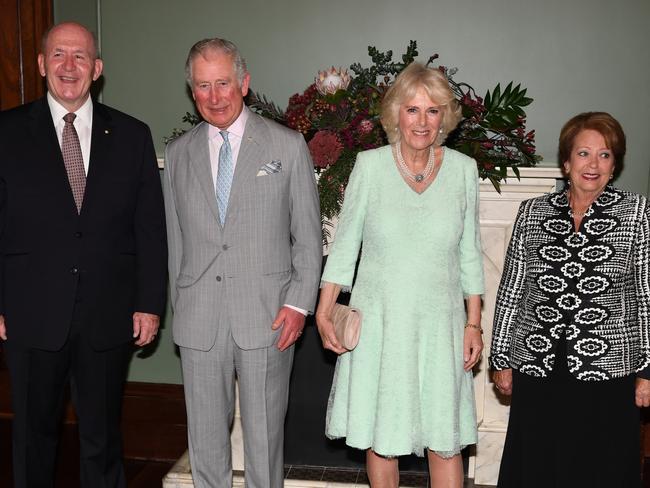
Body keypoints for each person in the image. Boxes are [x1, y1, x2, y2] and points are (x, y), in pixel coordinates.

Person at [0, 22, 167, 487]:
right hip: (29, 314)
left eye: (79, 57)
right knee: (32, 439)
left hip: (107, 314)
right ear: (41, 65)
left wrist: (150, 303)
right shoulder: (6, 132)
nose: (68, 66)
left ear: (97, 68)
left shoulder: (132, 136)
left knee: (103, 439)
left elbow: (150, 229)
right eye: (58, 55)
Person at [316, 62, 485, 488]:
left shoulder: (463, 170)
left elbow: (469, 254)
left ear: (445, 117)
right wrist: (323, 311)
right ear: (396, 115)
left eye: (432, 111)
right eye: (412, 110)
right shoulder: (369, 167)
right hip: (381, 324)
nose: (422, 122)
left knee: (444, 439)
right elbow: (344, 246)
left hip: (441, 325)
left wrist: (474, 322)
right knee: (382, 437)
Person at [163, 38, 321, 488]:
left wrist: (298, 304)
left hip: (269, 317)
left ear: (244, 83)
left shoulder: (287, 146)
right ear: (192, 91)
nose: (214, 97)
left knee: (265, 439)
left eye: (223, 83)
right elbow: (176, 243)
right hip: (199, 321)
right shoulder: (177, 154)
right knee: (205, 442)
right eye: (203, 86)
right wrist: (182, 304)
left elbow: (307, 237)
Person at [490, 111, 650, 487]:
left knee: (599, 471)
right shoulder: (532, 212)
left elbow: (647, 294)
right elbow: (512, 288)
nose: (593, 164)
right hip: (538, 365)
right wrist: (501, 357)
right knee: (537, 469)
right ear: (566, 161)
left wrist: (647, 371)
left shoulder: (636, 212)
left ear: (615, 165)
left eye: (605, 155)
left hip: (608, 371)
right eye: (583, 154)